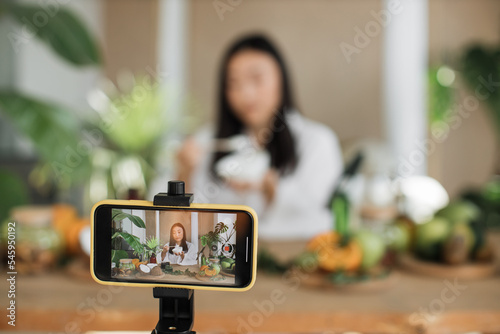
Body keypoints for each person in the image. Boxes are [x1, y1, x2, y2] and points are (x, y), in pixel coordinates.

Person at [177, 34, 343, 240]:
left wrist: (272, 191)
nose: (246, 93)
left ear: (281, 79)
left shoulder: (317, 141)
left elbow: (319, 217)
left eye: (256, 79)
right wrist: (184, 171)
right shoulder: (207, 141)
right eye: (234, 83)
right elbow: (184, 221)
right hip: (220, 264)